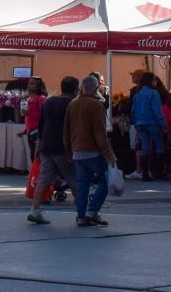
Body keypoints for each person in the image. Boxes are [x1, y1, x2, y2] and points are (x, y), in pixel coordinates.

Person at [28, 75, 77, 225]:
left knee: (43, 179)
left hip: (46, 146)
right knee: (75, 179)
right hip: (63, 148)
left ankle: (35, 210)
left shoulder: (48, 102)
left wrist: (38, 145)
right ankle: (82, 211)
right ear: (75, 89)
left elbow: (41, 125)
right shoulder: (72, 104)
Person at [65, 72, 110, 228]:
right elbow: (100, 133)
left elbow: (66, 130)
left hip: (77, 150)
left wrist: (69, 151)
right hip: (93, 151)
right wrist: (109, 155)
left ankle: (81, 216)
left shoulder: (73, 104)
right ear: (96, 88)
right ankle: (93, 210)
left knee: (82, 184)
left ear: (82, 88)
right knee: (105, 181)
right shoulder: (96, 105)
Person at [130, 72, 167, 180]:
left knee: (145, 147)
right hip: (153, 123)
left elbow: (133, 111)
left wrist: (136, 122)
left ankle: (145, 173)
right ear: (151, 81)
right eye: (154, 80)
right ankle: (158, 172)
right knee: (159, 146)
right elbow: (157, 111)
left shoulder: (137, 94)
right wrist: (163, 124)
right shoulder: (154, 93)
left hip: (140, 123)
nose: (156, 82)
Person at [22, 78, 47, 161]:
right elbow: (27, 117)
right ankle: (35, 172)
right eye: (29, 83)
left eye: (32, 84)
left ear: (38, 87)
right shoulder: (28, 99)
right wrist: (25, 130)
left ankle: (39, 173)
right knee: (33, 154)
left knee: (37, 155)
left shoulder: (41, 98)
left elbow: (43, 115)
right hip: (30, 131)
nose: (29, 85)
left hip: (37, 131)